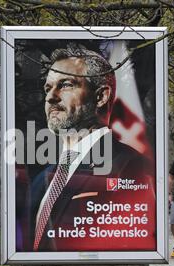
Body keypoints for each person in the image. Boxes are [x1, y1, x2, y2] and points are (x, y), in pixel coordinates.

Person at [17, 45, 155, 252]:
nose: (50, 97)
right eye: (48, 88)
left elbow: (134, 241)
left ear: (101, 96)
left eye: (65, 85)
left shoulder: (129, 164)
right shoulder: (43, 178)